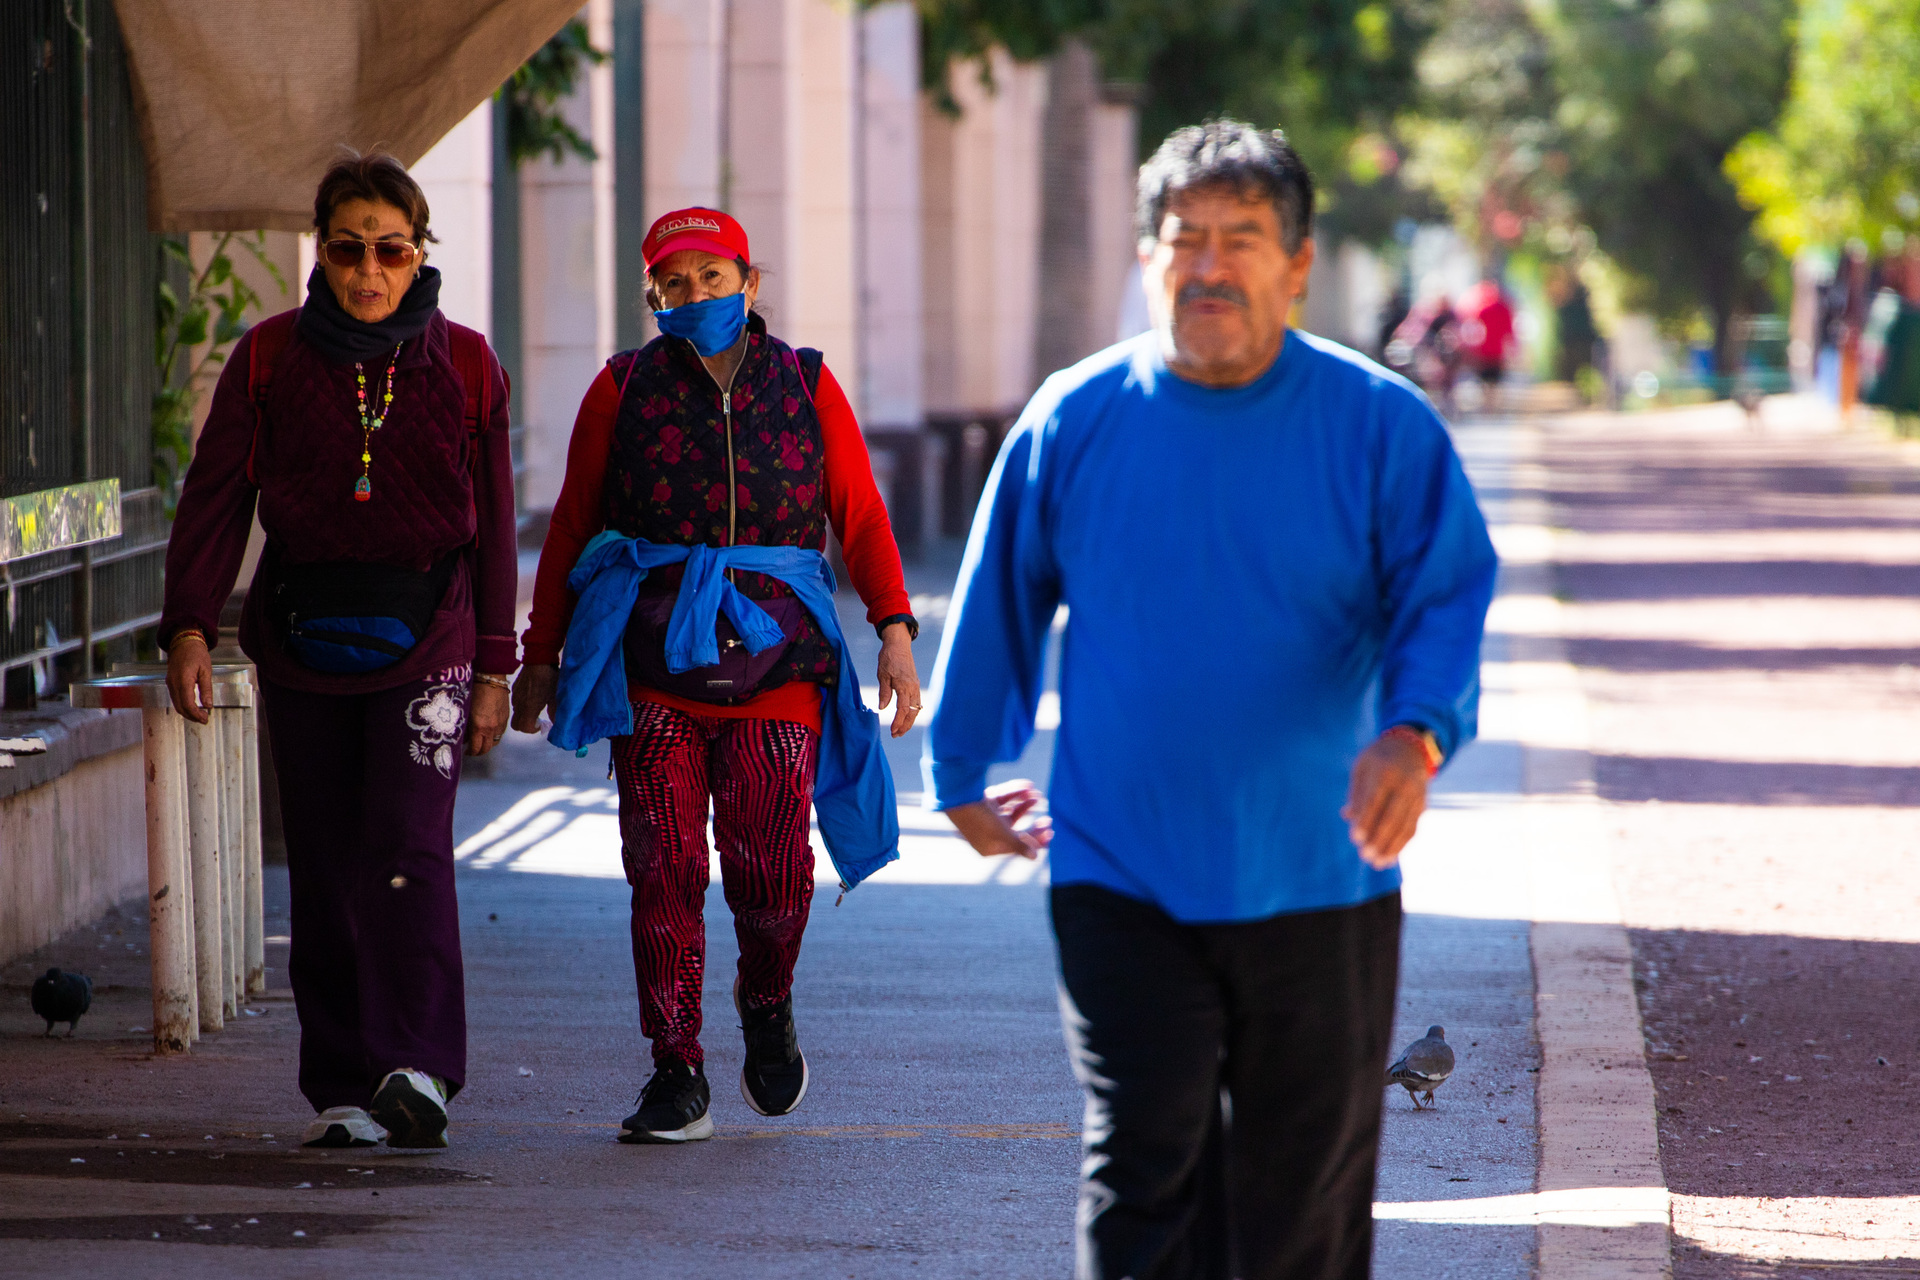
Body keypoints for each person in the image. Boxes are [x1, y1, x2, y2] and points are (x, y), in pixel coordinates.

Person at [927, 121, 1496, 1279]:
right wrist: (963, 768)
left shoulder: (1379, 425)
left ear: (1297, 261)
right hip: (1121, 872)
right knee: (1143, 1173)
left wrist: (1415, 729)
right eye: (1184, 239)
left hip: (1322, 874)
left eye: (1243, 238)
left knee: (1301, 1209)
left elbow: (1443, 595)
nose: (1209, 264)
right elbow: (997, 598)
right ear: (1149, 257)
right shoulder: (1074, 418)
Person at [512, 207, 918, 1144]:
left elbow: (859, 516)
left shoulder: (807, 383)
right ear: (652, 295)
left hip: (781, 662)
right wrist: (541, 654)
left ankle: (766, 1003)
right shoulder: (621, 388)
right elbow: (571, 526)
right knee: (663, 866)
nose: (696, 295)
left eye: (713, 276)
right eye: (675, 282)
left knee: (773, 873)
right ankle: (676, 1065)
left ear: (750, 282)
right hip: (656, 660)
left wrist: (893, 629)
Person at [159, 151, 517, 1151]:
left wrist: (496, 662)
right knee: (322, 861)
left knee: (407, 846)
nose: (369, 269)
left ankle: (420, 1068)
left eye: (390, 249)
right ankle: (345, 1085)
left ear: (418, 254)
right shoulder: (269, 359)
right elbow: (216, 494)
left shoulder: (471, 364)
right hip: (304, 639)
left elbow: (493, 522)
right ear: (323, 252)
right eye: (350, 248)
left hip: (432, 640)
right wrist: (189, 622)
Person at [1457, 275, 1516, 411]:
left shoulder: (1484, 309)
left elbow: (1474, 328)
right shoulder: (1504, 308)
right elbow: (1509, 331)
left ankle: (1488, 404)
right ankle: (1492, 403)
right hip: (1496, 349)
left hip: (1485, 349)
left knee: (1486, 378)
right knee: (1494, 379)